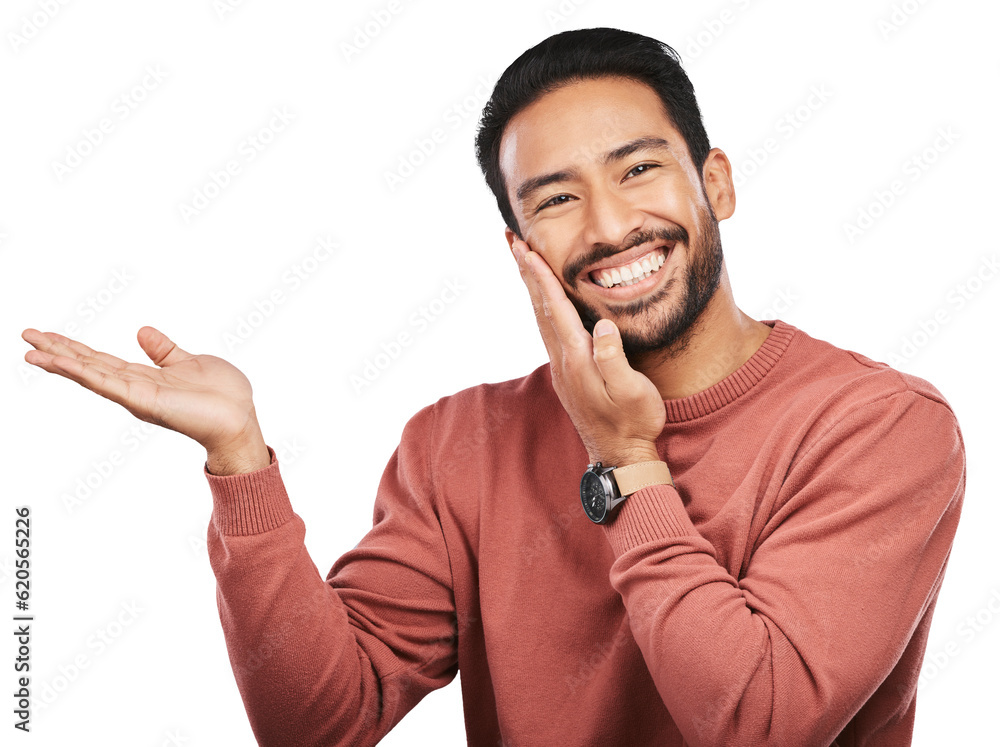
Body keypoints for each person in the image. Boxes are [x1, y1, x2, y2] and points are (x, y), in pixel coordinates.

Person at [21, 27, 964, 747]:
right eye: (555, 199)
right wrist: (240, 461)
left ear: (713, 182)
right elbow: (321, 721)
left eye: (639, 169)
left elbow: (759, 719)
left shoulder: (879, 426)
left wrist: (628, 462)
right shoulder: (460, 440)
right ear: (520, 246)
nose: (610, 225)